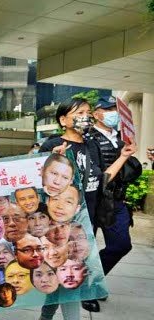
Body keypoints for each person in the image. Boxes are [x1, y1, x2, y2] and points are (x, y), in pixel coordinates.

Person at [86, 96, 142, 311]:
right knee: (86, 249)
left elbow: (130, 174)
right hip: (94, 200)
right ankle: (87, 289)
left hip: (116, 201)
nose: (113, 113)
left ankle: (95, 280)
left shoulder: (122, 139)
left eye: (115, 109)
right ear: (96, 113)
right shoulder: (88, 138)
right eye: (108, 109)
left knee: (121, 245)